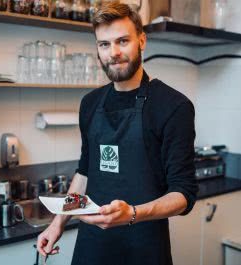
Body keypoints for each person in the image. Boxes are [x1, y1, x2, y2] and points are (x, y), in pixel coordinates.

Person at [37, 2, 198, 265]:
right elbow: (85, 172)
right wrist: (58, 224)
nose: (114, 52)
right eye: (104, 44)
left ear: (142, 41)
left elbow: (183, 194)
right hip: (92, 246)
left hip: (144, 247)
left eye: (122, 41)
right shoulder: (90, 104)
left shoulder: (173, 106)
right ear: (97, 50)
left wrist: (132, 213)